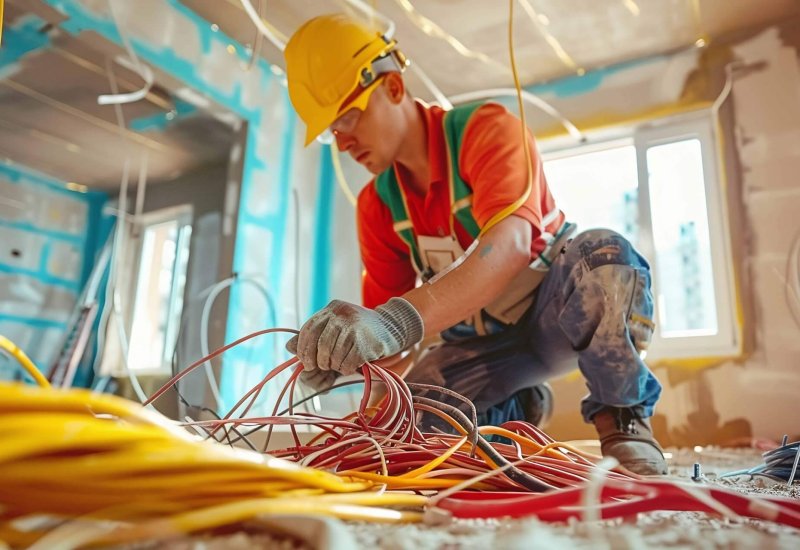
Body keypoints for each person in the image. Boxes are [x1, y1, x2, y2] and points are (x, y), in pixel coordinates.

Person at [283, 13, 667, 475]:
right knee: (415, 424)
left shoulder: (487, 132)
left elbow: (507, 248)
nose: (342, 142)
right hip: (480, 347)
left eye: (346, 117)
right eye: (331, 131)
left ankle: (622, 418)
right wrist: (352, 359)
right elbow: (392, 345)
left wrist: (391, 321)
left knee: (603, 257)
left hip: (555, 314)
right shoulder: (378, 206)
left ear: (393, 88)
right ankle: (517, 407)